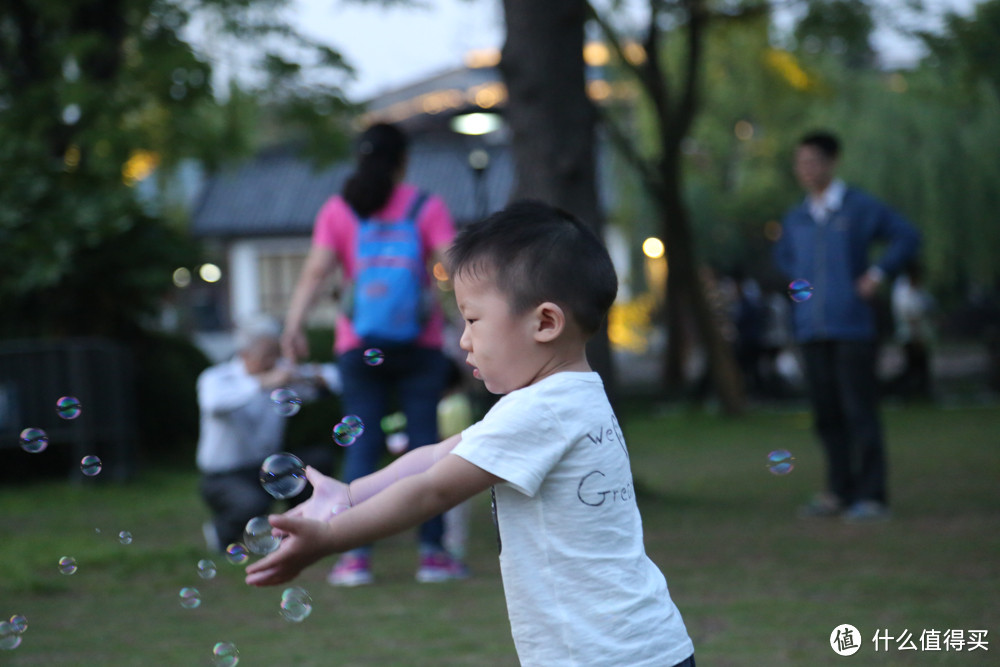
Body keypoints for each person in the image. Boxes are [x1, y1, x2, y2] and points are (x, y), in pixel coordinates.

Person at [246, 201, 696, 667]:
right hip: (640, 648)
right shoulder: (568, 396)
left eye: (474, 319)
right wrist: (352, 493)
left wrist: (332, 537)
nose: (463, 339)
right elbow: (439, 456)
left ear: (544, 322)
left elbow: (432, 490)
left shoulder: (543, 410)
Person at [281, 122, 461, 585]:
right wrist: (473, 323)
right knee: (426, 445)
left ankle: (354, 557)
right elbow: (455, 268)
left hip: (357, 345)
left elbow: (315, 273)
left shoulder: (340, 209)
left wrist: (293, 326)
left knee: (359, 444)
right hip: (419, 345)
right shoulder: (426, 206)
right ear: (403, 160)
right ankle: (433, 554)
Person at [774, 130, 921, 523]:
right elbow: (786, 263)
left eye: (812, 162)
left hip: (853, 327)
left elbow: (907, 236)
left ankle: (872, 496)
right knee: (826, 416)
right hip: (811, 329)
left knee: (860, 412)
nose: (805, 170)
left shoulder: (858, 208)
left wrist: (876, 274)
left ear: (831, 162)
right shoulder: (797, 218)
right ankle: (838, 492)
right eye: (799, 162)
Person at [196, 316, 337, 550]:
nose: (274, 361)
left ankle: (301, 530)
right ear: (244, 354)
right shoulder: (217, 378)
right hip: (223, 476)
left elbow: (334, 379)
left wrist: (306, 374)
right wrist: (262, 383)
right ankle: (221, 533)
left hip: (266, 468)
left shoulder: (281, 377)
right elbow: (213, 403)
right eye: (267, 354)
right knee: (251, 503)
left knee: (317, 462)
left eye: (276, 353)